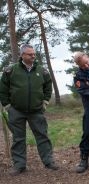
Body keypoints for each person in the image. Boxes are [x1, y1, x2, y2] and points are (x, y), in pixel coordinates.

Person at [0, 44, 58, 176]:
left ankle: (48, 161)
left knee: (42, 136)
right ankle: (19, 165)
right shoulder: (10, 71)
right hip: (16, 110)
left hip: (36, 111)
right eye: (29, 54)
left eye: (34, 54)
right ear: (22, 55)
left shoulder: (42, 71)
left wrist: (45, 102)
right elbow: (2, 89)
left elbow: (48, 87)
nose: (33, 56)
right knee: (18, 139)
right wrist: (8, 106)